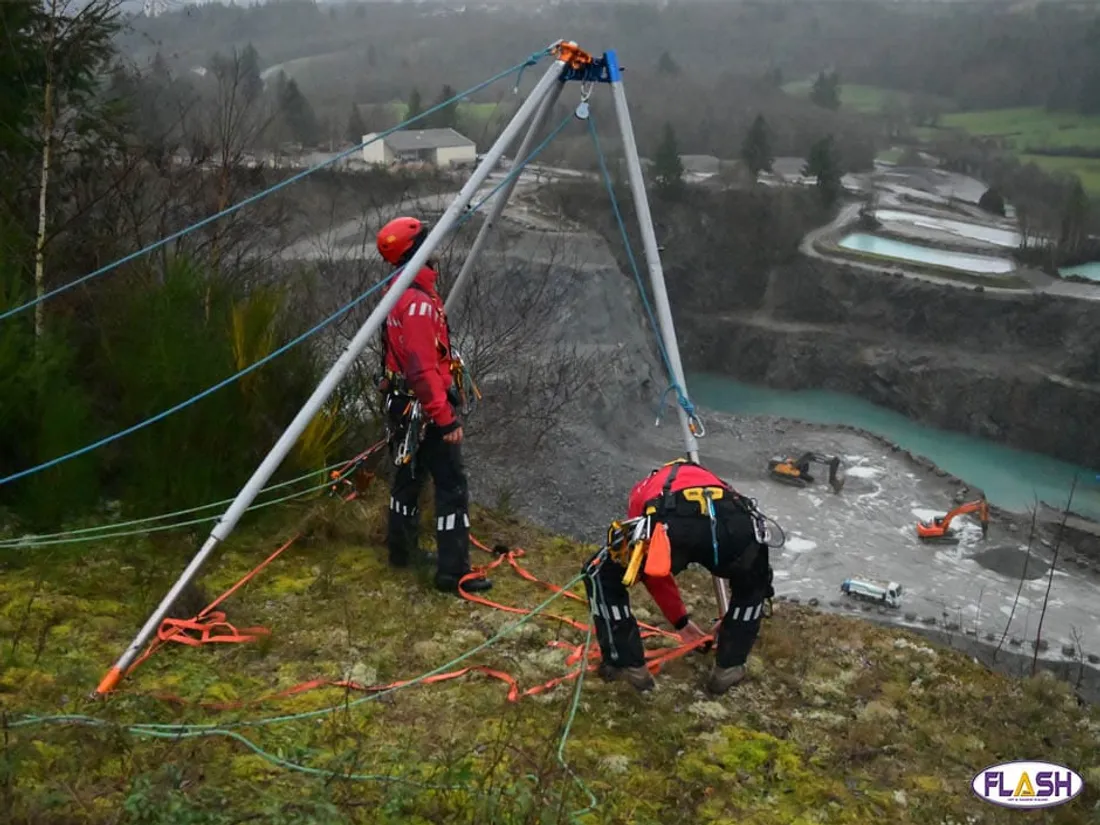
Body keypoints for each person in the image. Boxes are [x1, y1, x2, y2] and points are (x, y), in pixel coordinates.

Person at [583, 457, 776, 694]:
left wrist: (679, 621)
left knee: (599, 572)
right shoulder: (718, 483)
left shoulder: (645, 487)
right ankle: (729, 667)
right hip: (733, 523)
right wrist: (689, 623)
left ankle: (625, 664)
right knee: (752, 583)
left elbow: (652, 570)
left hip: (670, 523)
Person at [375, 215, 491, 594]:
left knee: (408, 478)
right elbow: (422, 366)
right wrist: (445, 419)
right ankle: (453, 570)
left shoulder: (396, 293)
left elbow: (395, 353)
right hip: (422, 407)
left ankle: (402, 551)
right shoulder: (418, 304)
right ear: (418, 251)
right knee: (451, 485)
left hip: (403, 404)